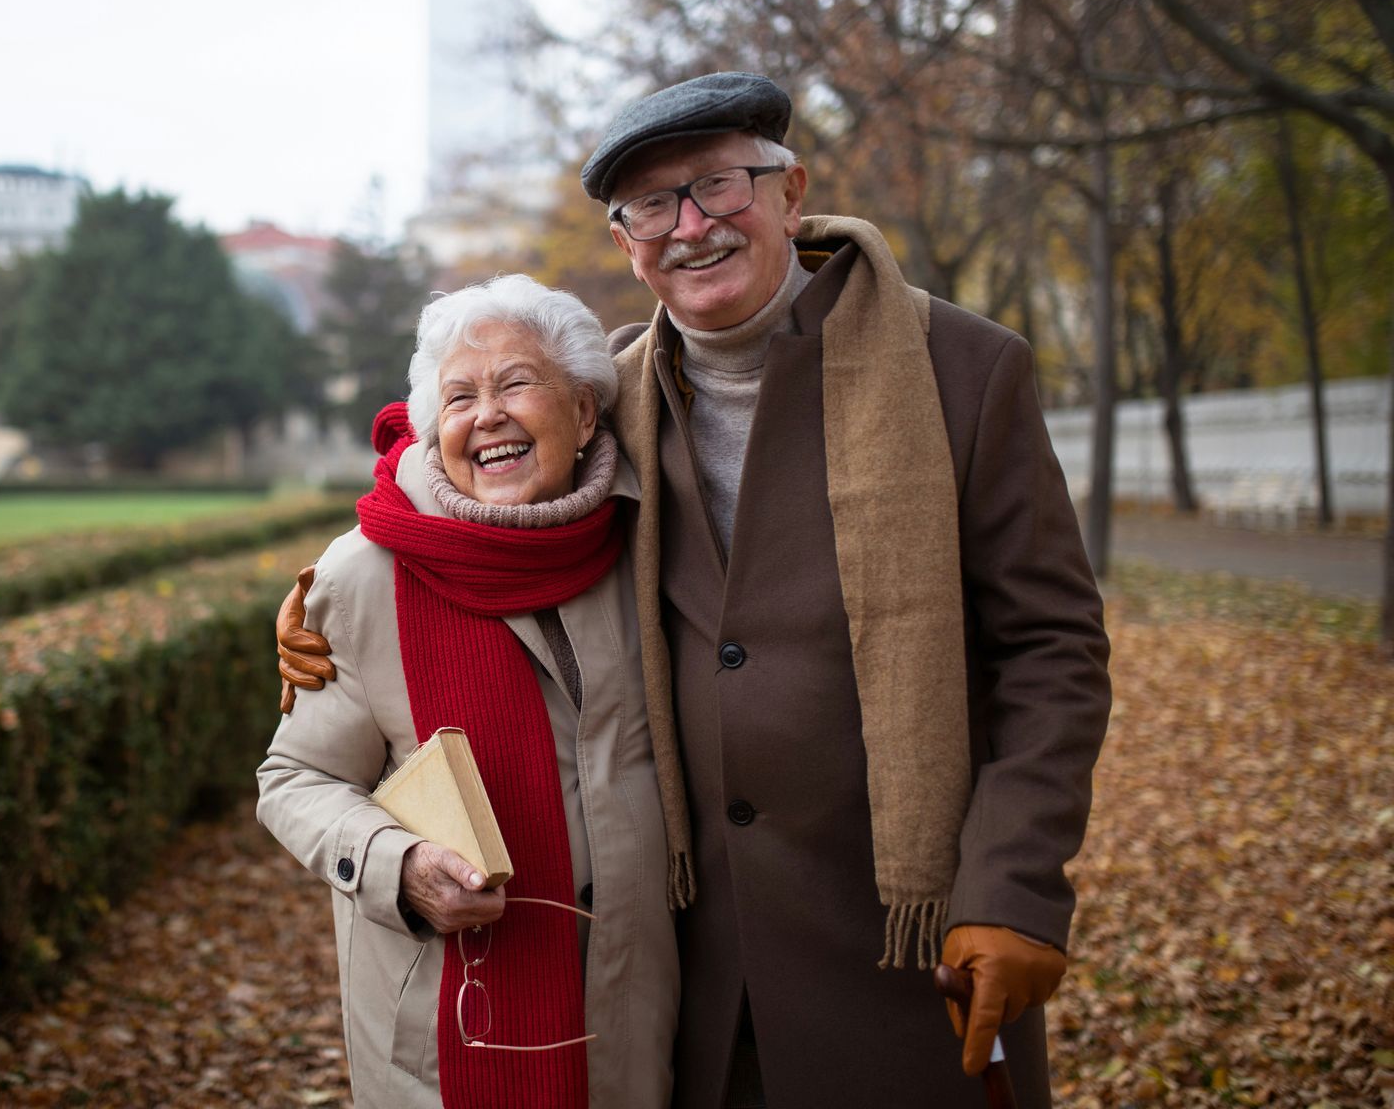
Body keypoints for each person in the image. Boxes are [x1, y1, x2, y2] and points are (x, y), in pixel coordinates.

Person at [277, 72, 1112, 1109]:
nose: (691, 225)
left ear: (791, 192)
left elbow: (1052, 648)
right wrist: (330, 594)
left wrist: (1018, 884)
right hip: (700, 971)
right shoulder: (614, 392)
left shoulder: (962, 370)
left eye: (718, 185)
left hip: (907, 943)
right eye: (651, 207)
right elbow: (461, 480)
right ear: (627, 242)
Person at [258, 274, 680, 1109]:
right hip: (450, 1026)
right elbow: (293, 780)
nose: (486, 415)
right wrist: (396, 864)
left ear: (587, 412)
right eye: (459, 397)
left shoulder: (651, 542)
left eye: (517, 382)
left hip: (632, 1008)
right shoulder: (367, 570)